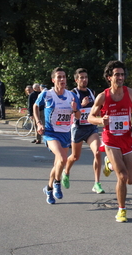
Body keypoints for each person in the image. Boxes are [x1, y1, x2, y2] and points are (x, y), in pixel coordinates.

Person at [88, 60, 132, 223]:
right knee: (123, 177)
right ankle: (121, 210)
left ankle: (109, 164)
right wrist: (99, 121)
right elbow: (90, 117)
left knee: (131, 179)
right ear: (109, 77)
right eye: (117, 74)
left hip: (126, 139)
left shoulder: (131, 93)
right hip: (110, 140)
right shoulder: (103, 96)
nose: (120, 77)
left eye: (122, 74)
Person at [33, 67, 80, 204]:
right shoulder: (47, 94)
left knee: (58, 163)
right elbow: (36, 106)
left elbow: (78, 115)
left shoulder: (72, 96)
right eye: (59, 77)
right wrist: (38, 122)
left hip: (65, 133)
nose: (62, 79)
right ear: (53, 80)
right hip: (50, 132)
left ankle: (48, 188)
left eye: (64, 77)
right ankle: (57, 184)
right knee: (62, 158)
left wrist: (75, 108)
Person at [62, 68, 104, 194]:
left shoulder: (91, 92)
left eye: (86, 77)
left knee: (97, 152)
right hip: (78, 128)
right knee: (75, 157)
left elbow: (96, 109)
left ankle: (97, 183)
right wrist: (81, 104)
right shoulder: (72, 93)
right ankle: (66, 172)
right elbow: (72, 112)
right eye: (81, 78)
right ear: (76, 80)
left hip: (91, 127)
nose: (84, 80)